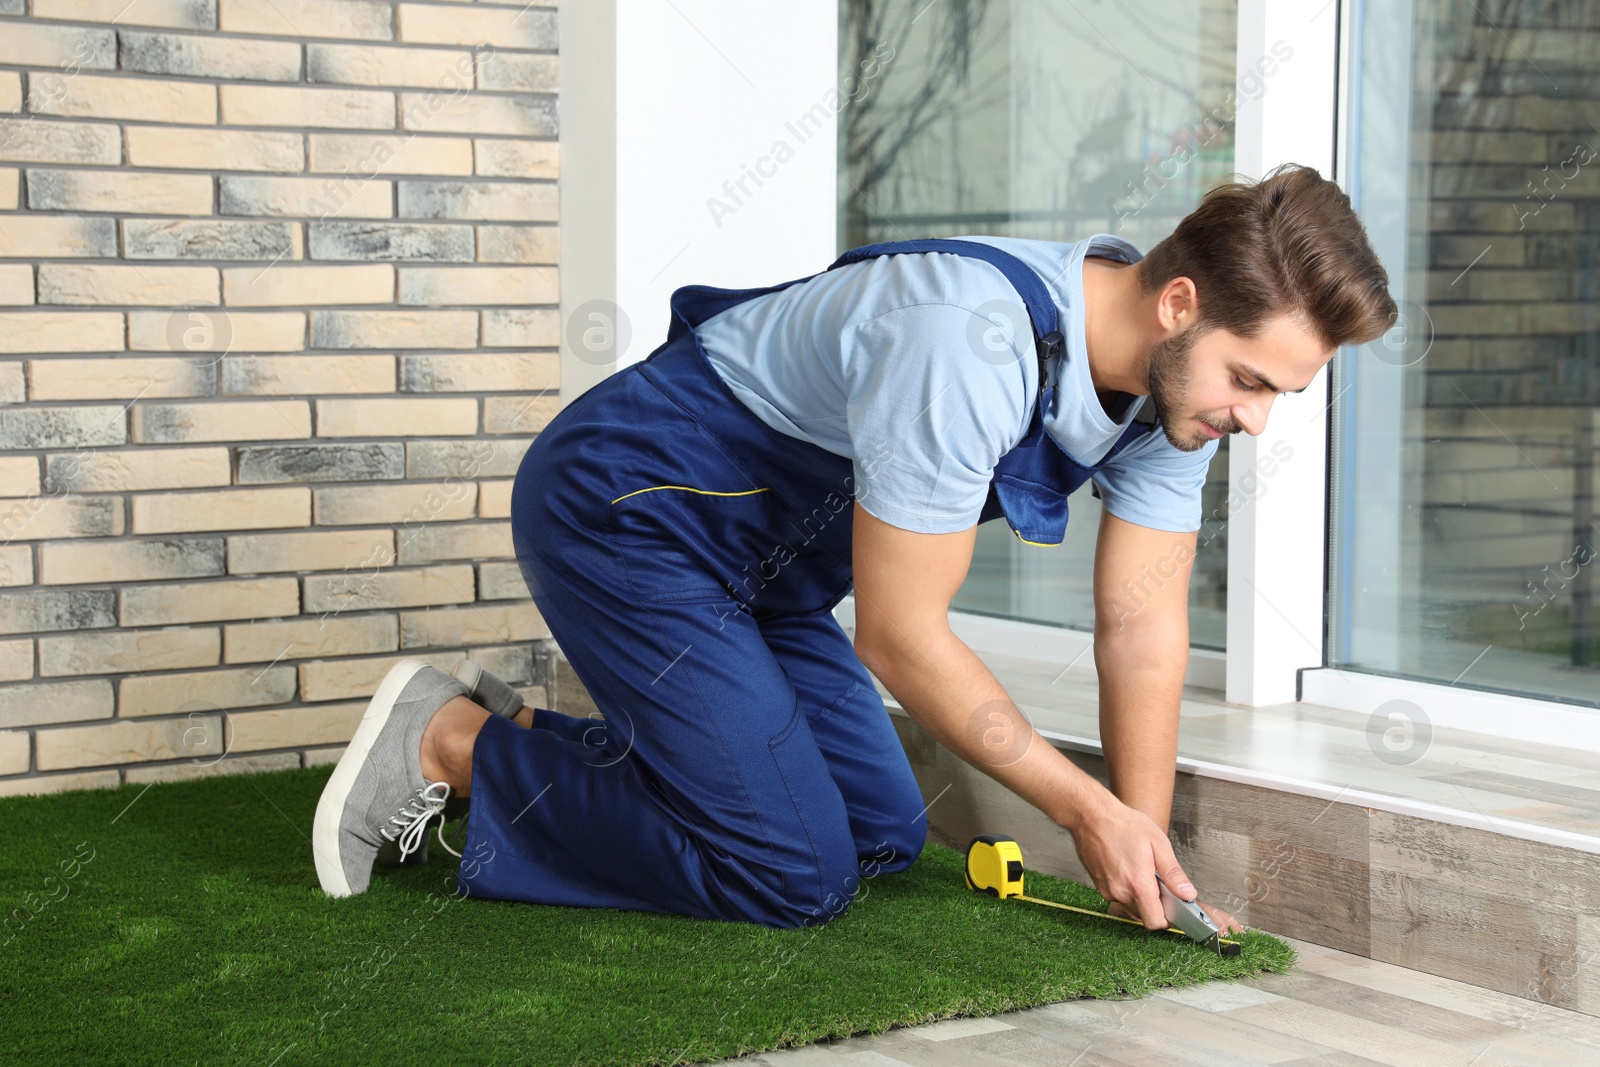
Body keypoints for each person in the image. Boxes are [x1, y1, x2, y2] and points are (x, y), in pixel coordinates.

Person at [312, 163, 1397, 935]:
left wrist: (1141, 842)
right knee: (790, 870)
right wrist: (1083, 806)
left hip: (766, 579)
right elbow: (899, 634)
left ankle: (541, 733)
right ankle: (452, 742)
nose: (1255, 418)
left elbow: (1140, 624)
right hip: (629, 514)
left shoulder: (1172, 395)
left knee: (879, 834)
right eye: (1252, 382)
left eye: (1280, 395)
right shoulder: (965, 338)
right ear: (1177, 303)